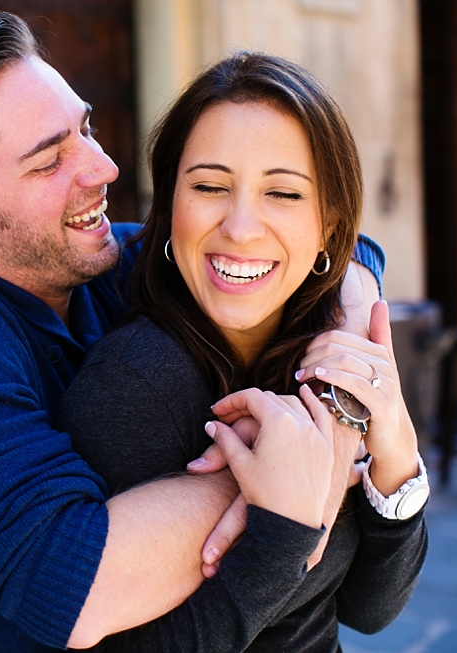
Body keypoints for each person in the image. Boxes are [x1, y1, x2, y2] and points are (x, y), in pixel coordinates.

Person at [0, 13, 384, 652]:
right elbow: (74, 591)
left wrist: (335, 389)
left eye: (84, 129)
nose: (103, 168)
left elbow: (340, 249)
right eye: (50, 160)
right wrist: (281, 461)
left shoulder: (98, 262)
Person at [56, 52, 429, 652]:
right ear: (168, 205)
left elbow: (370, 609)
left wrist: (398, 463)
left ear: (331, 227)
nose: (241, 227)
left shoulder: (332, 357)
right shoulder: (135, 385)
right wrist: (281, 532)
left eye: (282, 193)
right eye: (208, 186)